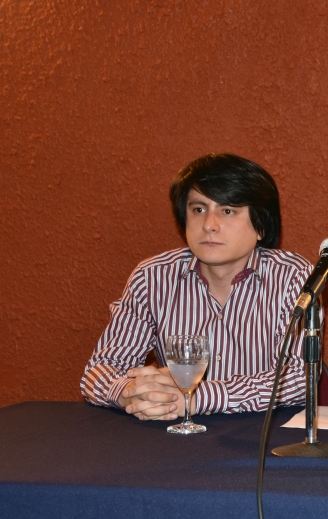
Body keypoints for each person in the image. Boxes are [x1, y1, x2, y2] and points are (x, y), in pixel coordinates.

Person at [81, 154, 311, 419]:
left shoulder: (293, 277)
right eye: (198, 209)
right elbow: (101, 368)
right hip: (175, 436)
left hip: (260, 440)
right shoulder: (153, 277)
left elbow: (299, 379)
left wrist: (197, 398)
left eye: (227, 211)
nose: (209, 225)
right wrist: (132, 392)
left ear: (261, 225)